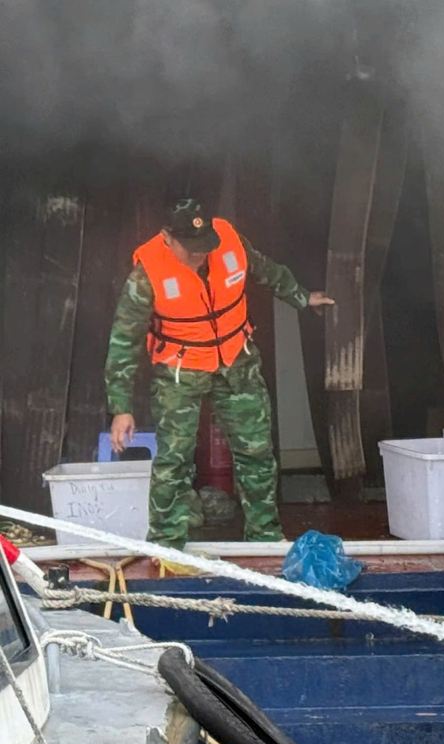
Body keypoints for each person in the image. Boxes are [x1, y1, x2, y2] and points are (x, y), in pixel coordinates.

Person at [105, 198, 334, 549]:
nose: (200, 254)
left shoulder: (229, 240)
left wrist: (302, 297)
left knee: (257, 452)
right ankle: (167, 544)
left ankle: (265, 538)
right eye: (191, 248)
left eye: (205, 245)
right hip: (180, 372)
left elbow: (266, 270)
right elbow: (124, 341)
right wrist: (121, 408)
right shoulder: (146, 273)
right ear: (167, 237)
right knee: (174, 461)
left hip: (236, 361)